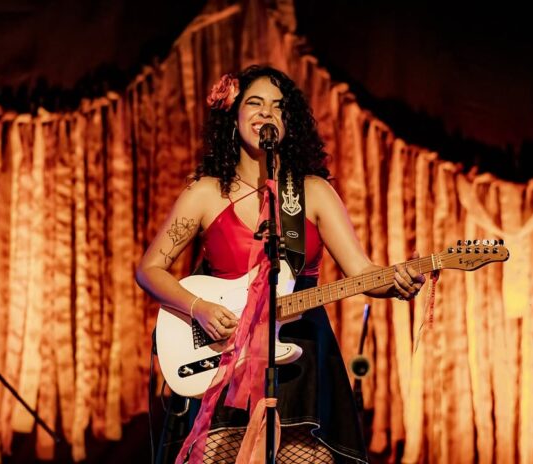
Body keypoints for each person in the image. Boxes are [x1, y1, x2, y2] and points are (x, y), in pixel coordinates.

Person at [135, 65, 426, 464]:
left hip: (300, 355)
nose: (266, 113)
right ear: (233, 115)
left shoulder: (314, 192)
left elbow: (361, 272)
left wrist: (395, 281)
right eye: (255, 103)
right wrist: (198, 308)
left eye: (277, 106)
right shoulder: (204, 193)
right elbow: (149, 268)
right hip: (227, 353)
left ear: (289, 123)